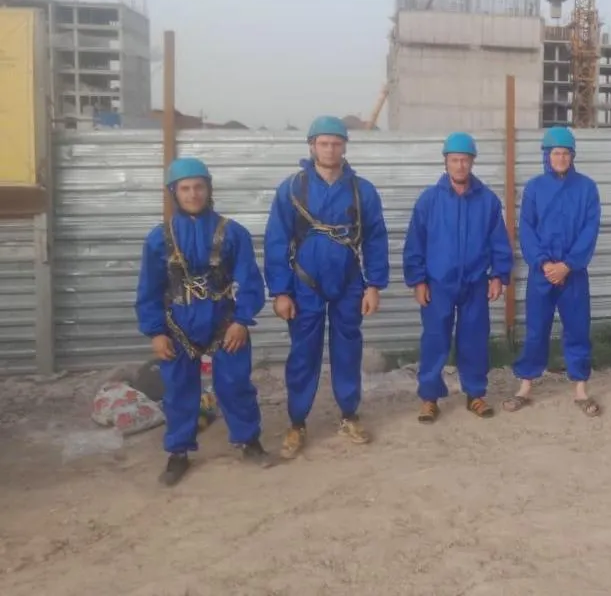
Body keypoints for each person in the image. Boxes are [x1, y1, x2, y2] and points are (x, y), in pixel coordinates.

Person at [135, 157, 270, 486]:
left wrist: (242, 321)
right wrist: (155, 332)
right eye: (185, 188)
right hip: (177, 325)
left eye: (199, 187)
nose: (193, 194)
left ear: (209, 189)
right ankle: (178, 452)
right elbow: (149, 289)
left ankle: (249, 441)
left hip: (225, 322)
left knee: (235, 384)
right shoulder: (159, 239)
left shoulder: (233, 233)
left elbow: (251, 281)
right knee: (179, 389)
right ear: (174, 192)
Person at [264, 116, 390, 459]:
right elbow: (276, 240)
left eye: (336, 143)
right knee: (303, 354)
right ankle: (297, 422)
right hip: (304, 284)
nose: (330, 149)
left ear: (345, 146)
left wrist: (374, 285)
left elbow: (375, 239)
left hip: (349, 283)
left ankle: (349, 415)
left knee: (348, 351)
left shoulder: (362, 191)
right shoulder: (292, 189)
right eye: (324, 143)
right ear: (312, 146)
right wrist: (281, 291)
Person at [403, 132, 514, 423]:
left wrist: (499, 275)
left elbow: (499, 242)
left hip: (475, 284)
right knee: (434, 339)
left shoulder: (487, 201)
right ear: (446, 162)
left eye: (465, 160)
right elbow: (415, 243)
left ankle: (475, 394)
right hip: (438, 284)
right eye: (454, 160)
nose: (460, 165)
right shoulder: (429, 201)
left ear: (472, 162)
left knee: (474, 340)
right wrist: (418, 280)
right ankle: (429, 398)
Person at [503, 126, 602, 417]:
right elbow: (527, 228)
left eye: (565, 153)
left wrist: (568, 264)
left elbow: (590, 229)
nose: (560, 158)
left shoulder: (587, 188)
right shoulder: (534, 188)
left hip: (574, 273)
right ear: (546, 156)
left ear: (573, 156)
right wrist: (544, 264)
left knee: (578, 329)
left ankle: (581, 389)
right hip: (542, 273)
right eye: (555, 153)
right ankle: (525, 386)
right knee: (536, 329)